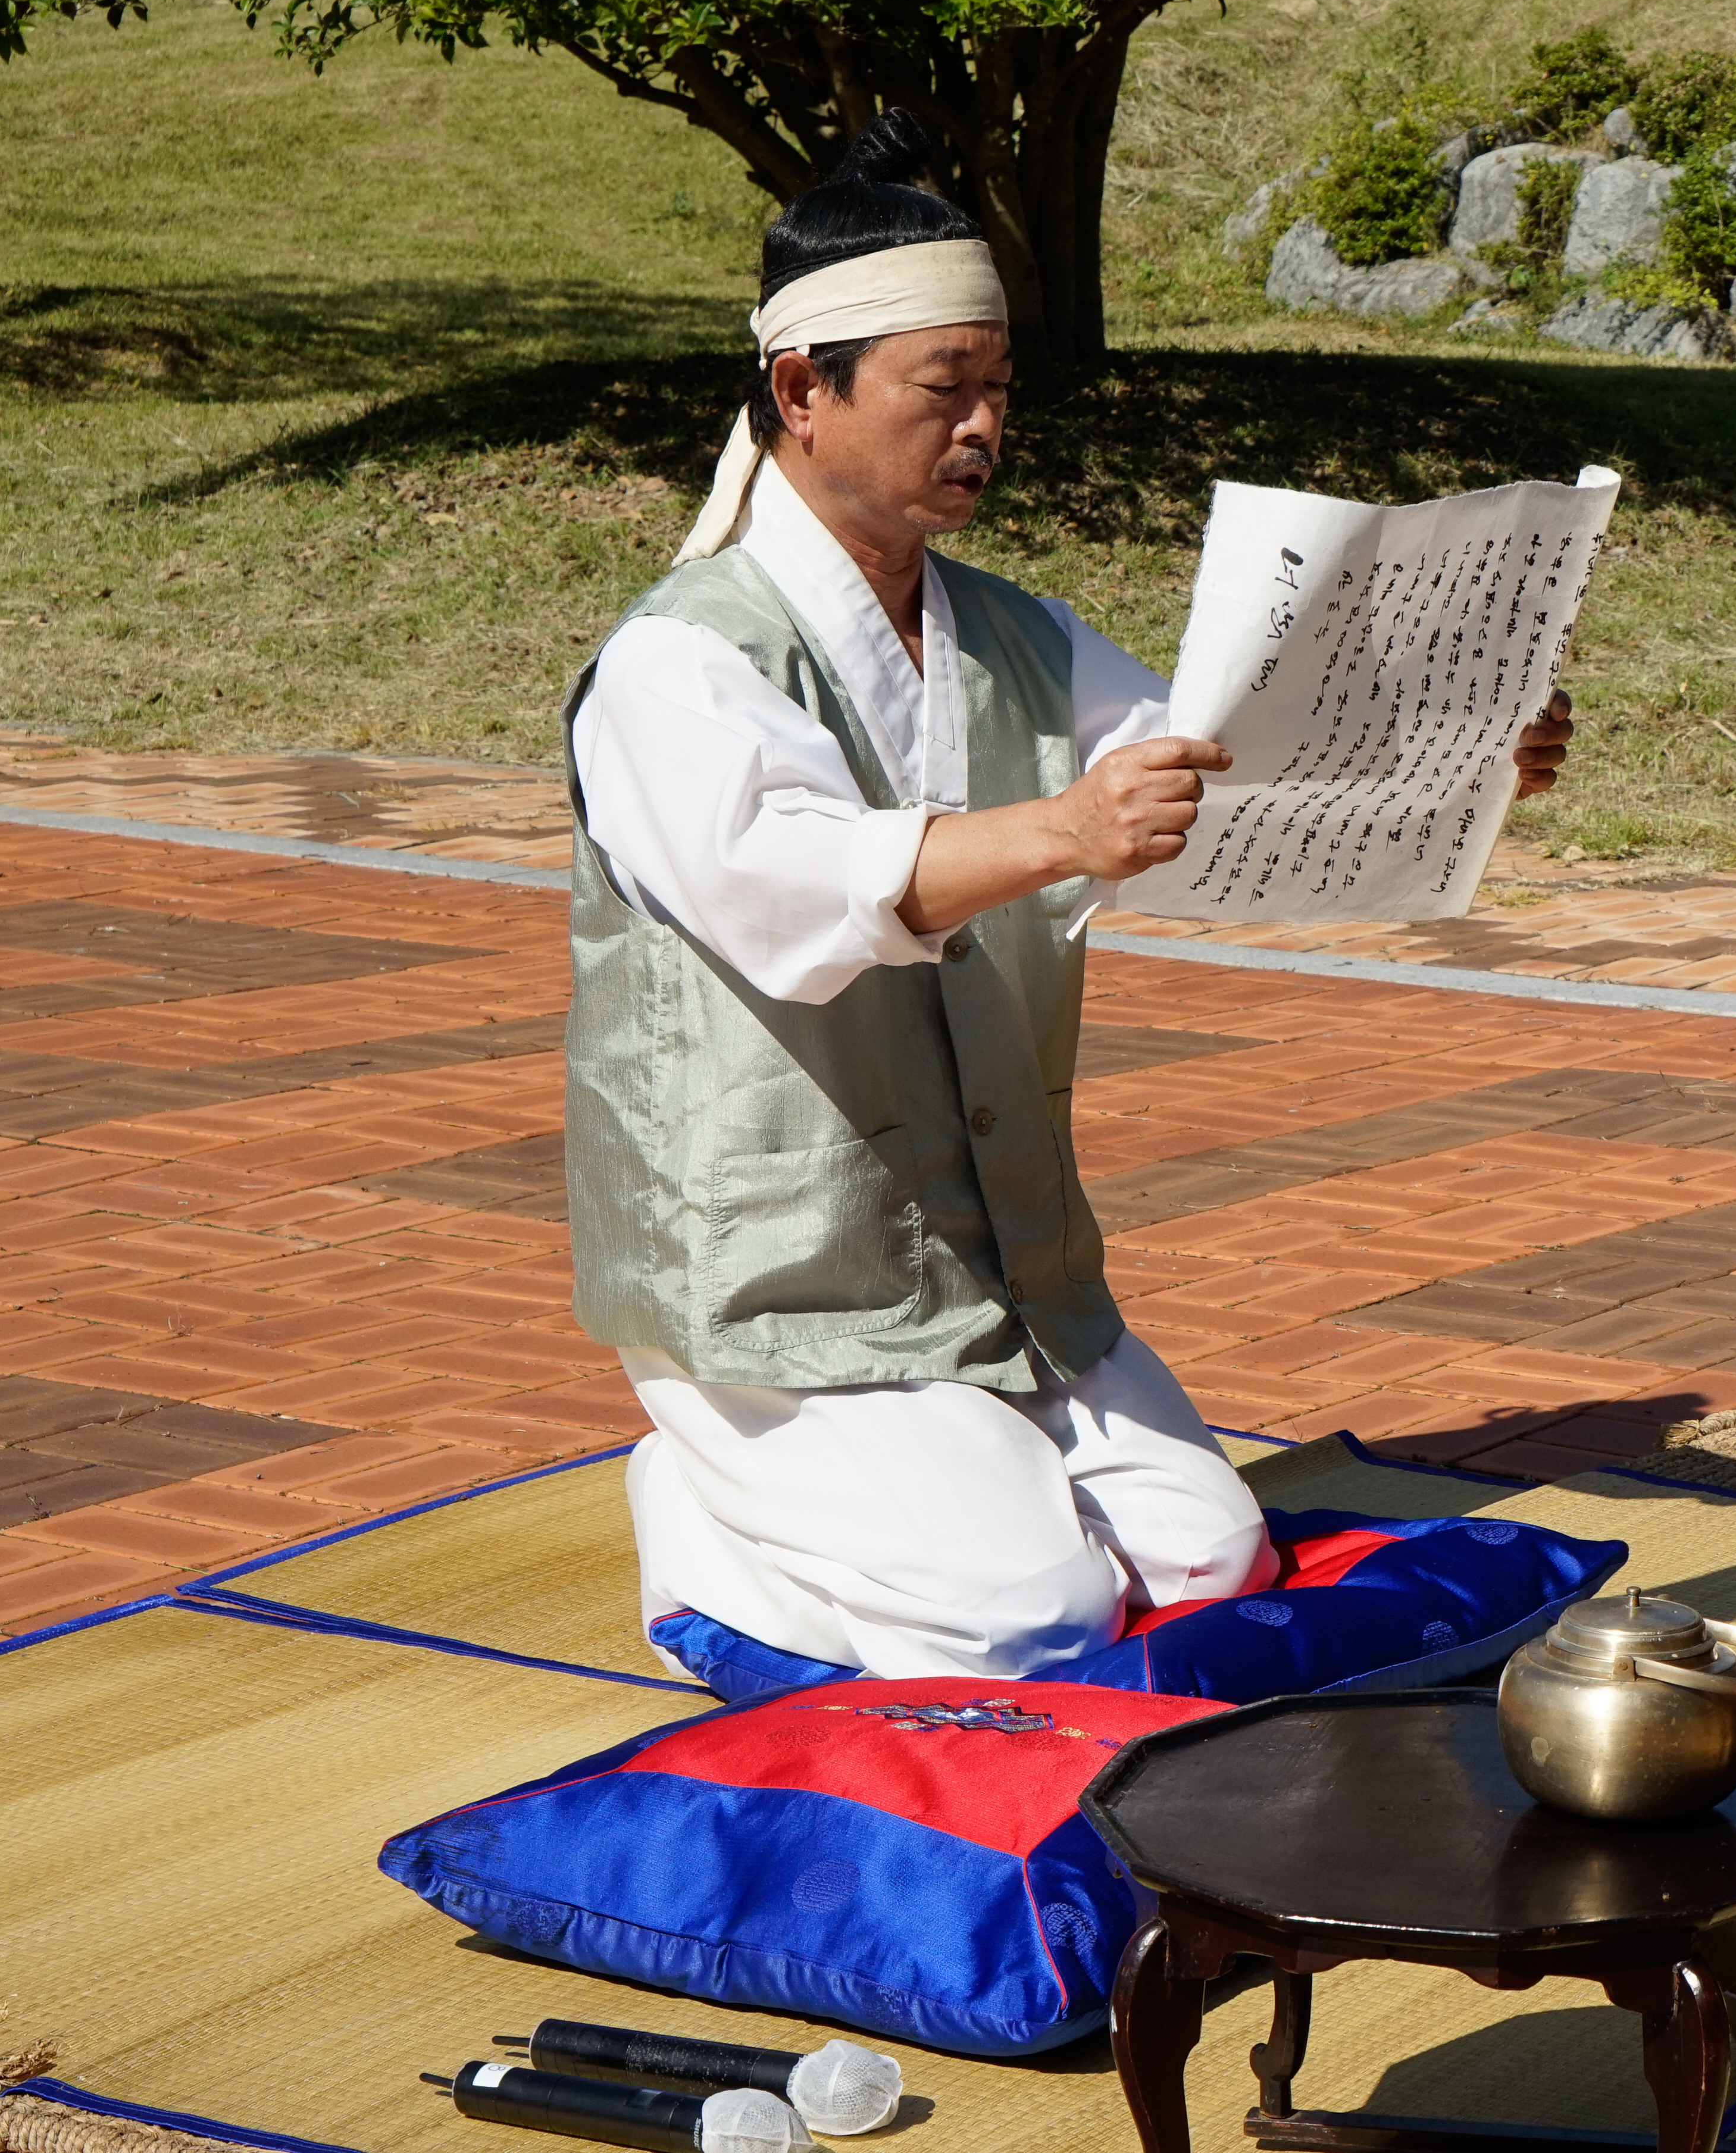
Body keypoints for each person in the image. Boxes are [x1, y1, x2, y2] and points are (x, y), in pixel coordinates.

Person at [564, 114, 1575, 1682]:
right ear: (800, 392)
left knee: (1208, 1556)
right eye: (940, 390)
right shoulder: (681, 657)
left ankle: (927, 1481)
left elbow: (1222, 759)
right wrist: (1060, 829)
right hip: (784, 1274)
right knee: (1018, 1619)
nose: (980, 429)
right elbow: (799, 889)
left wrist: (1464, 747)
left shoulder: (1012, 634)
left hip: (1001, 1255)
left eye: (998, 392)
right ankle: (705, 1498)